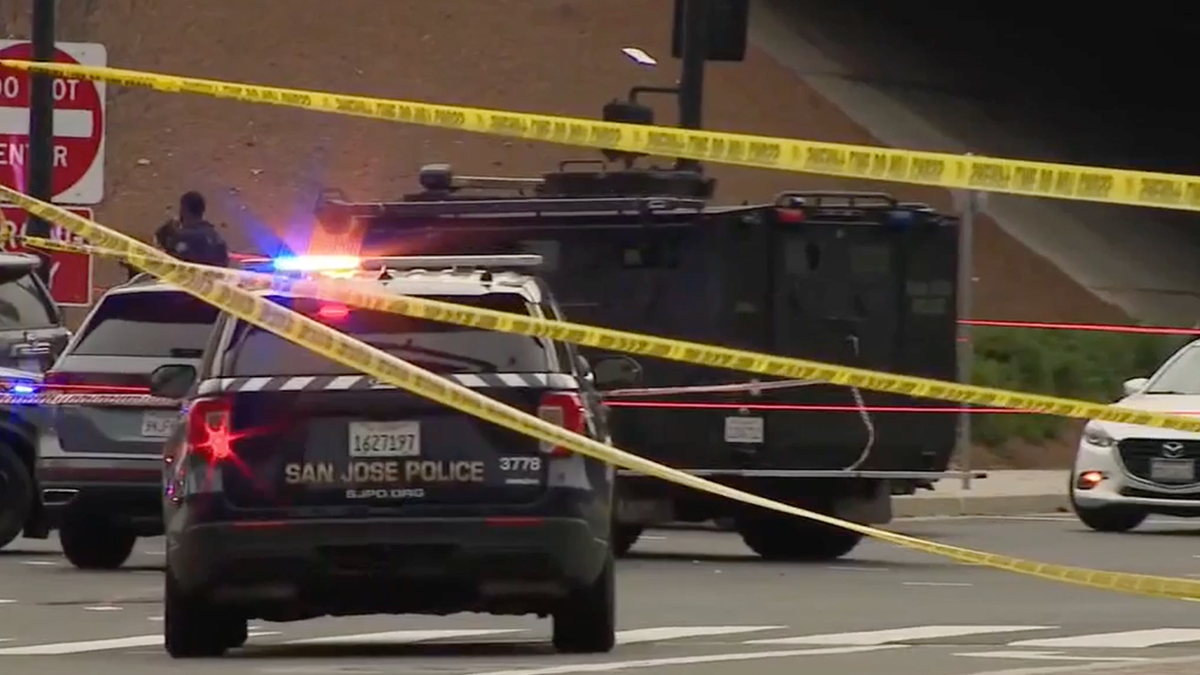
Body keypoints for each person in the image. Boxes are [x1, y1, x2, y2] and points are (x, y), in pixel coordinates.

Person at [154, 191, 230, 268]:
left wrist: (168, 230)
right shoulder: (216, 237)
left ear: (184, 210)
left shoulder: (183, 237)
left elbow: (160, 247)